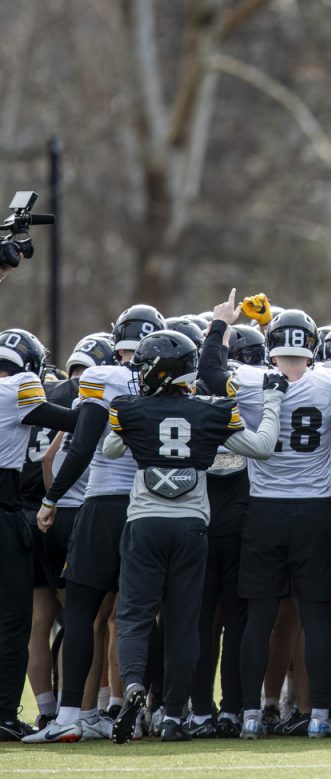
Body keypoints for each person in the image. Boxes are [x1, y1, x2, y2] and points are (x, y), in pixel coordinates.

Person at [103, 331, 285, 743]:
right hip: (190, 525)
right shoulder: (212, 411)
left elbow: (111, 450)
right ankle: (173, 716)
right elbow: (261, 446)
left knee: (134, 615)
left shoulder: (128, 408)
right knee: (184, 623)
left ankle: (134, 685)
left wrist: (137, 426)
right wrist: (272, 401)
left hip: (145, 522)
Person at [198, 290, 331, 739]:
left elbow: (210, 372)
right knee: (317, 616)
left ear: (271, 347)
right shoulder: (330, 384)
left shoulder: (249, 380)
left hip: (263, 510)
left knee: (258, 618)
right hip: (313, 510)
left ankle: (250, 712)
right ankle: (319, 713)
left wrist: (221, 324)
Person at [28, 306, 165, 744]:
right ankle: (153, 710)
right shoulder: (171, 375)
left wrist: (52, 497)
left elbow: (83, 443)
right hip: (149, 506)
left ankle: (71, 714)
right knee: (138, 614)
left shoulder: (102, 376)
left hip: (103, 505)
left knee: (82, 611)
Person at [0, 329, 77, 741]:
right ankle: (3, 714)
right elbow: (59, 418)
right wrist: (94, 411)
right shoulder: (21, 384)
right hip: (6, 505)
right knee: (14, 619)